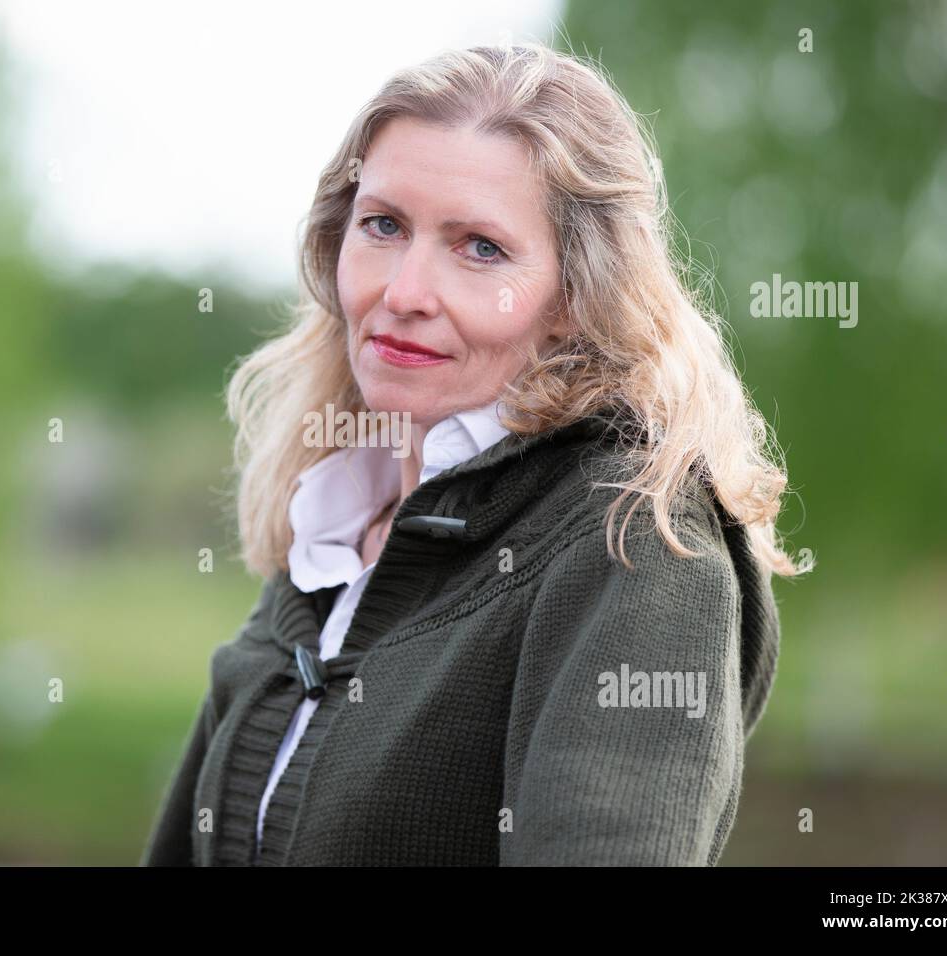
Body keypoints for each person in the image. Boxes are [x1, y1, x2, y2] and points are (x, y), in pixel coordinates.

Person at [142, 41, 807, 867]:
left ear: (575, 295)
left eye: (479, 248)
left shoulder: (636, 542)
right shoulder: (335, 523)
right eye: (382, 226)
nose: (404, 293)